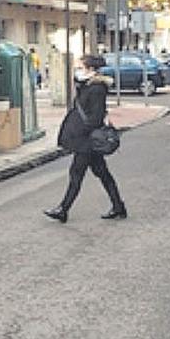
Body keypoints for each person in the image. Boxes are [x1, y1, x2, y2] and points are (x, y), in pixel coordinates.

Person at [45, 54, 126, 223]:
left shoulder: (96, 89)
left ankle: (63, 209)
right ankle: (118, 206)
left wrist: (82, 131)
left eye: (81, 67)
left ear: (90, 69)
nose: (78, 70)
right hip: (87, 140)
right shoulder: (88, 86)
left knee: (76, 173)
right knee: (102, 174)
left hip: (87, 140)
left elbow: (95, 117)